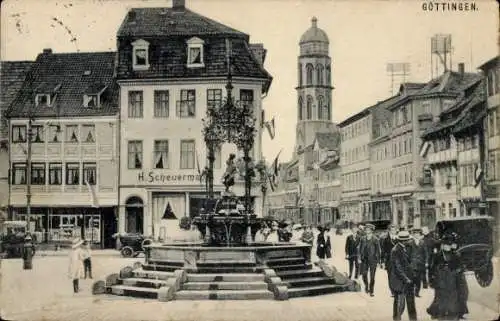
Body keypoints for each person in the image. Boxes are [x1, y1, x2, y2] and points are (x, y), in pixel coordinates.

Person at [427, 232, 469, 320]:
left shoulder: (456, 255)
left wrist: (458, 271)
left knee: (454, 300)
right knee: (440, 299)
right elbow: (431, 269)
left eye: (449, 245)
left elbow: (461, 268)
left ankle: (456, 314)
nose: (447, 246)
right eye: (445, 244)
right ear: (442, 245)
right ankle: (440, 314)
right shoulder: (437, 256)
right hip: (441, 283)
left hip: (453, 282)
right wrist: (431, 280)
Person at [389, 230, 417, 321]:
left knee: (411, 304)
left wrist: (412, 276)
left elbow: (412, 261)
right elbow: (398, 268)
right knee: (399, 305)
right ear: (403, 241)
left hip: (408, 280)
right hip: (399, 281)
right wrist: (406, 279)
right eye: (408, 240)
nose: (409, 241)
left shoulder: (409, 247)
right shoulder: (395, 250)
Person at [358, 223, 381, 297]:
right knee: (364, 274)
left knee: (372, 276)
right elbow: (359, 249)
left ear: (371, 230)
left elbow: (378, 251)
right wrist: (359, 258)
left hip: (373, 260)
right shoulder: (362, 239)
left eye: (369, 229)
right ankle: (366, 286)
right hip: (364, 259)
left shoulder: (375, 239)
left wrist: (378, 261)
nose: (367, 231)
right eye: (366, 229)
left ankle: (371, 290)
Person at [381, 224, 399, 296]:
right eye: (392, 230)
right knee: (390, 276)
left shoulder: (399, 239)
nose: (393, 231)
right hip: (389, 260)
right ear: (389, 230)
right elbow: (383, 251)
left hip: (398, 260)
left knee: (397, 275)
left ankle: (397, 288)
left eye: (394, 230)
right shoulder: (385, 239)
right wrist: (382, 261)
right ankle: (392, 291)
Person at [410, 228, 428, 297]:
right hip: (412, 263)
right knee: (413, 277)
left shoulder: (422, 242)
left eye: (418, 234)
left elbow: (426, 253)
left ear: (419, 234)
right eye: (415, 234)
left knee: (418, 279)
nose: (416, 235)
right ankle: (412, 290)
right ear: (413, 235)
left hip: (421, 263)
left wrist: (426, 262)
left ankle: (417, 292)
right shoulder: (410, 242)